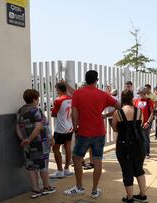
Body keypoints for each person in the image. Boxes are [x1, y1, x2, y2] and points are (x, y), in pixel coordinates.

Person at [63, 70, 121, 199]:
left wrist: (76, 128)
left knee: (77, 158)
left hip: (83, 132)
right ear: (97, 80)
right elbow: (119, 106)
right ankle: (94, 191)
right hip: (99, 132)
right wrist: (105, 115)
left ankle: (79, 187)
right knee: (97, 160)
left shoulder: (78, 93)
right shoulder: (103, 95)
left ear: (86, 79)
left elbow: (74, 114)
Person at [16, 89, 56, 199]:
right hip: (40, 143)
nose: (38, 101)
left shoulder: (20, 111)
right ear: (34, 99)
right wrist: (50, 139)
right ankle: (46, 187)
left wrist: (24, 140)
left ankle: (35, 189)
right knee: (43, 166)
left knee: (31, 166)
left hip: (26, 144)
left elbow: (18, 128)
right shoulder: (36, 111)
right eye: (38, 98)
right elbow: (39, 127)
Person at [112, 90, 148, 203]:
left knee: (127, 170)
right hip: (139, 144)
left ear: (122, 98)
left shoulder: (118, 113)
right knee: (139, 170)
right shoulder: (138, 111)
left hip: (124, 145)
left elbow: (114, 128)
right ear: (132, 98)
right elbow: (141, 124)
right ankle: (142, 195)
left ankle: (130, 197)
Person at [49, 83, 74, 179]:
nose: (56, 92)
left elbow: (54, 114)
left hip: (60, 128)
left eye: (56, 90)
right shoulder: (71, 99)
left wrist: (53, 109)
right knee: (67, 147)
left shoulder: (58, 100)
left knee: (55, 149)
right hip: (69, 126)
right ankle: (66, 169)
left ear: (59, 90)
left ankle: (60, 171)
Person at [134, 87, 154, 159]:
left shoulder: (149, 100)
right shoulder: (136, 100)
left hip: (146, 122)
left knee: (145, 138)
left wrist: (148, 122)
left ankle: (147, 153)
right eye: (139, 93)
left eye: (141, 93)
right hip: (138, 122)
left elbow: (152, 113)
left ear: (145, 93)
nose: (140, 94)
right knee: (138, 138)